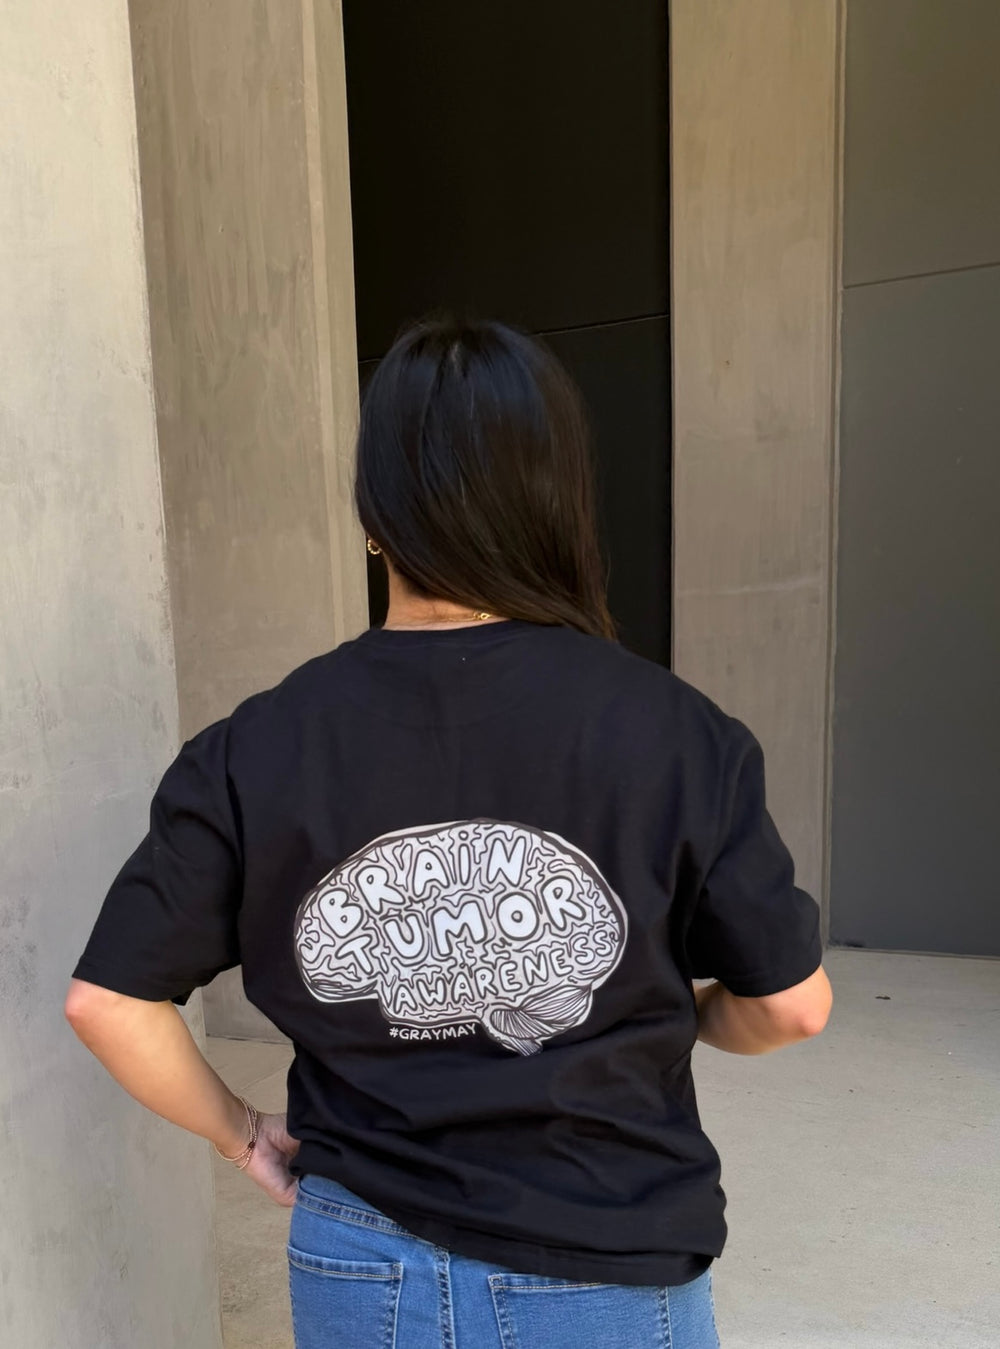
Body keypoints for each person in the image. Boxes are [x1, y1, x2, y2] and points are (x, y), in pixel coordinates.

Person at [66, 316, 832, 1349]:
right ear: (556, 504)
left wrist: (241, 1131)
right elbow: (789, 1006)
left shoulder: (257, 744)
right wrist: (684, 1016)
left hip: (358, 1256)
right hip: (606, 1250)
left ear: (374, 515)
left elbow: (109, 999)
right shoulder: (676, 731)